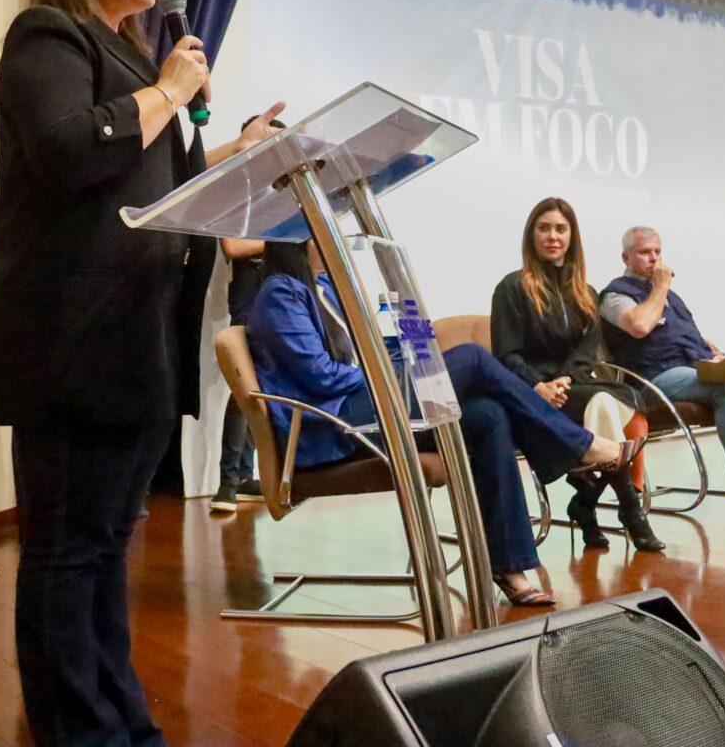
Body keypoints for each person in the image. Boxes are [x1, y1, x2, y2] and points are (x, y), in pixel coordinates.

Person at [0, 0, 284, 747]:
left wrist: (240, 152)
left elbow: (165, 187)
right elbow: (73, 152)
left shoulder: (134, 66)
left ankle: (121, 723)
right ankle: (76, 731)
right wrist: (174, 85)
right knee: (68, 551)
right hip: (70, 340)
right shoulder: (47, 36)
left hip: (139, 338)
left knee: (104, 548)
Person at [247, 241, 636, 606]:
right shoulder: (281, 293)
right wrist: (393, 373)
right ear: (297, 242)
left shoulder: (326, 288)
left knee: (488, 414)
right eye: (321, 233)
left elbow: (373, 351)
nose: (335, 241)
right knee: (471, 357)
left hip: (362, 406)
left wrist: (407, 351)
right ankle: (578, 448)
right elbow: (324, 378)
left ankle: (509, 565)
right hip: (330, 423)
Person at [491, 199, 665, 552]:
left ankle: (586, 501)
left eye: (560, 229)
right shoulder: (511, 288)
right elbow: (506, 354)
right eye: (544, 228)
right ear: (531, 235)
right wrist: (540, 386)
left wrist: (564, 381)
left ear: (572, 237)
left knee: (621, 399)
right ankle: (630, 509)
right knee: (604, 404)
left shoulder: (586, 293)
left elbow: (587, 352)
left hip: (574, 387)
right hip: (532, 394)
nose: (552, 236)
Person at [600, 226, 725, 518]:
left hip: (696, 370)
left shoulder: (674, 298)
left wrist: (715, 354)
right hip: (655, 380)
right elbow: (639, 326)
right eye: (645, 253)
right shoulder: (615, 294)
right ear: (626, 257)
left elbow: (693, 338)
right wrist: (660, 288)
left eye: (658, 251)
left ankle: (723, 371)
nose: (654, 259)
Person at [211, 113, 288, 513]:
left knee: (264, 378)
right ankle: (227, 480)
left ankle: (243, 475)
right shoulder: (236, 189)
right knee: (246, 378)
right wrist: (282, 240)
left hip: (272, 286)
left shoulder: (278, 192)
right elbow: (232, 247)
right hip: (249, 288)